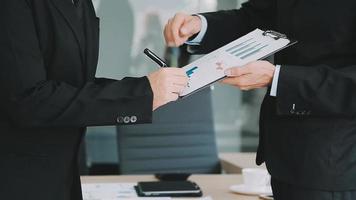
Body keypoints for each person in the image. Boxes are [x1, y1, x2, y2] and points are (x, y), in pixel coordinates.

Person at [164, 0, 356, 199]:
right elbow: (257, 18)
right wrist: (201, 25)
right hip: (286, 158)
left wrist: (278, 78)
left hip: (335, 163)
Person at [0, 0, 188, 200]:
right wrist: (140, 94)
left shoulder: (83, 4)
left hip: (64, 173)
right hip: (18, 178)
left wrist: (144, 90)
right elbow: (30, 99)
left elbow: (76, 84)